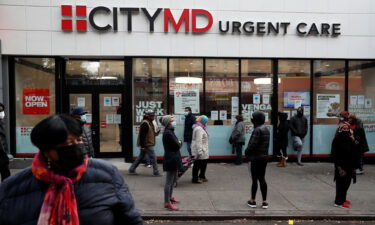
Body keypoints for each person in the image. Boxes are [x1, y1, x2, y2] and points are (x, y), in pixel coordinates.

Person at [0, 114, 143, 225]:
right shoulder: (13, 188)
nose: (76, 147)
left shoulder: (107, 175)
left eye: (79, 140)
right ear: (46, 150)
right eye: (67, 143)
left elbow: (131, 220)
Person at [331, 112, 357, 209]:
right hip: (341, 165)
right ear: (340, 130)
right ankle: (338, 202)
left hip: (349, 164)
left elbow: (356, 149)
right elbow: (334, 153)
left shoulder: (350, 139)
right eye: (344, 129)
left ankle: (343, 198)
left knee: (347, 183)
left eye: (347, 129)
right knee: (341, 184)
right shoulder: (337, 139)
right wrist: (338, 167)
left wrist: (353, 139)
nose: (345, 130)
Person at [245, 111, 270, 209]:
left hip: (255, 158)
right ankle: (264, 201)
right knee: (262, 178)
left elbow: (252, 145)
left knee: (254, 180)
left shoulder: (257, 130)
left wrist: (246, 152)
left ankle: (253, 200)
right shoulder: (266, 129)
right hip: (264, 158)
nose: (251, 119)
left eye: (253, 118)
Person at [160, 115, 182, 211]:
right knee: (169, 182)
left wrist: (178, 142)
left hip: (174, 158)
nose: (174, 122)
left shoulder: (171, 131)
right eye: (172, 120)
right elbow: (177, 144)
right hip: (171, 159)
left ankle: (170, 197)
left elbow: (177, 143)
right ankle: (167, 202)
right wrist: (179, 142)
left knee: (173, 181)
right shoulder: (168, 133)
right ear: (168, 122)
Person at [129, 109, 160, 176]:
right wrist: (143, 146)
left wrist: (157, 132)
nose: (153, 117)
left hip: (147, 144)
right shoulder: (145, 123)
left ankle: (131, 169)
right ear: (147, 116)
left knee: (141, 157)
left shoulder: (149, 122)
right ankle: (156, 172)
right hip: (147, 144)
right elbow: (142, 136)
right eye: (152, 116)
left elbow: (152, 134)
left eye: (153, 115)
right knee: (154, 158)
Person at [191, 115, 209, 184]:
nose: (206, 123)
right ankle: (195, 179)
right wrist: (200, 151)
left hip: (203, 149)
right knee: (197, 165)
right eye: (206, 121)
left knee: (203, 163)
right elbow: (198, 141)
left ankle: (202, 176)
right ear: (203, 121)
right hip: (200, 150)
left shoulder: (201, 127)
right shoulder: (199, 129)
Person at [0, 103, 10, 181]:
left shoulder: (1, 123)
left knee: (5, 173)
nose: (2, 113)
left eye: (2, 110)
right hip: (1, 154)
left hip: (2, 154)